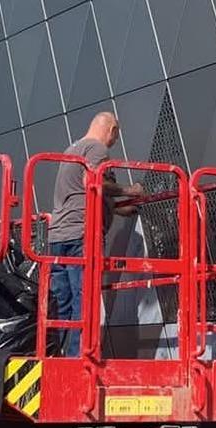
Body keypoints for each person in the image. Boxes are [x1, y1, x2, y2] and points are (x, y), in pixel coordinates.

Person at [49, 112, 144, 357]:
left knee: (63, 303)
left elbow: (79, 194)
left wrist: (116, 209)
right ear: (111, 130)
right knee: (85, 299)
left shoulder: (71, 149)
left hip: (59, 235)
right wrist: (128, 189)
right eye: (116, 137)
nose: (114, 142)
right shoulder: (97, 149)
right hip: (83, 234)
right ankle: (77, 357)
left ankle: (60, 355)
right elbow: (91, 182)